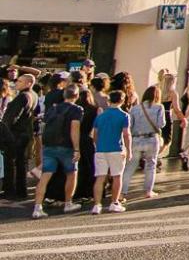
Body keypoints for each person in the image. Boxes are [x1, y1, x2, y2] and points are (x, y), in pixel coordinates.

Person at [31, 82, 84, 217]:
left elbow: (43, 127)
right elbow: (74, 129)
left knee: (45, 177)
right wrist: (77, 148)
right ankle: (68, 203)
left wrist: (42, 145)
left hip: (49, 146)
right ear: (76, 96)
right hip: (67, 146)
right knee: (71, 174)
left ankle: (37, 207)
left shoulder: (53, 109)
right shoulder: (76, 109)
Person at [90, 86, 131, 214]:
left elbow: (95, 134)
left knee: (100, 178)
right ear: (122, 100)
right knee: (117, 176)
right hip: (116, 149)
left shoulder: (100, 116)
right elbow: (126, 134)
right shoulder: (124, 115)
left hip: (101, 149)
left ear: (109, 100)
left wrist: (98, 145)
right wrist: (128, 150)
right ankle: (114, 202)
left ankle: (97, 205)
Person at [127, 84, 168, 200]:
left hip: (136, 138)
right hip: (151, 139)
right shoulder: (159, 107)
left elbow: (130, 126)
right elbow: (161, 124)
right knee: (151, 165)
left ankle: (122, 192)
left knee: (130, 165)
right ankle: (148, 191)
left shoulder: (135, 108)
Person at [1, 69, 37, 202]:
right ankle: (20, 191)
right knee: (20, 163)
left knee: (12, 163)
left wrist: (5, 130)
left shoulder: (24, 96)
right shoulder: (33, 95)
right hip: (24, 133)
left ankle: (11, 190)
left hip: (15, 134)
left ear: (28, 83)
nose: (17, 83)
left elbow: (12, 117)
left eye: (20, 81)